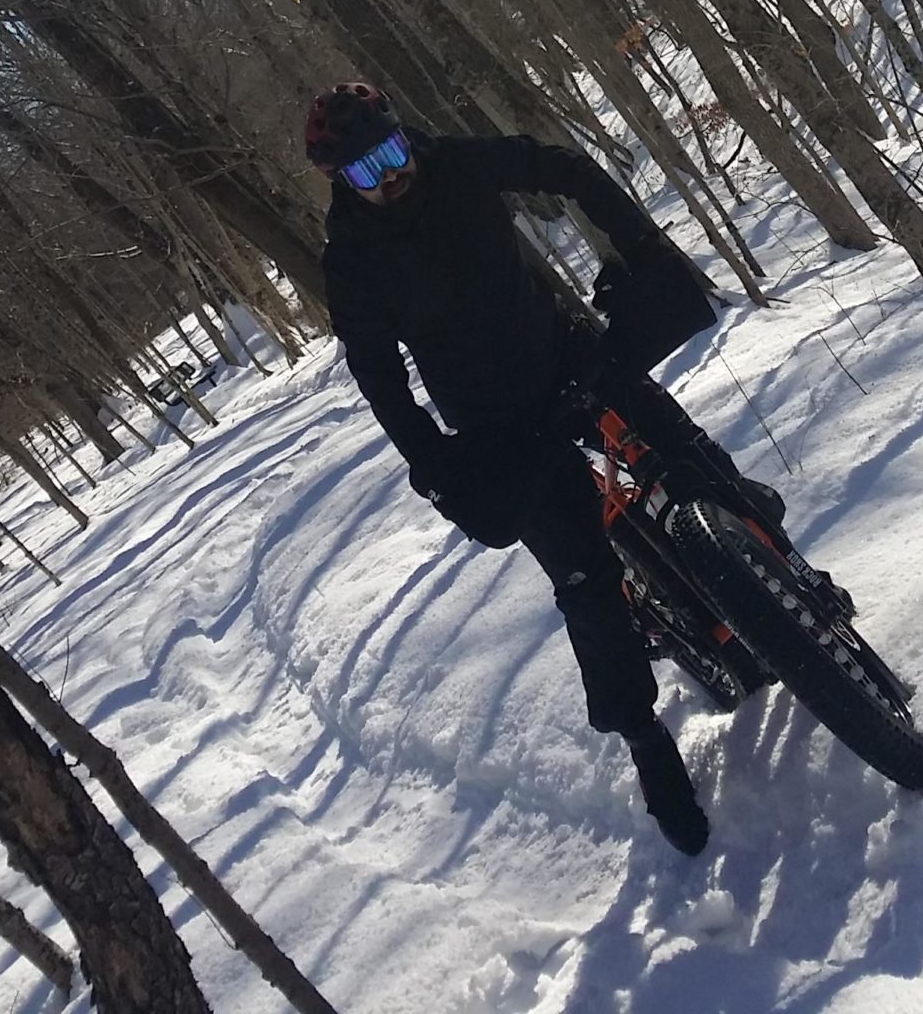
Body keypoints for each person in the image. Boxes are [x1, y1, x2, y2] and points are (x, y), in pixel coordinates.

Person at [309, 80, 784, 856]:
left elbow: (565, 168)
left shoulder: (458, 164)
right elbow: (381, 378)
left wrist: (640, 247)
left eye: (392, 155)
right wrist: (435, 464)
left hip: (565, 354)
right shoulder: (353, 264)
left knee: (686, 454)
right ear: (343, 183)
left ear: (407, 135)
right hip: (493, 425)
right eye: (366, 173)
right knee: (585, 581)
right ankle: (643, 739)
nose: (390, 179)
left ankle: (771, 555)